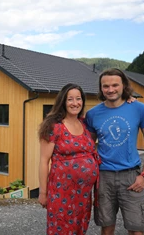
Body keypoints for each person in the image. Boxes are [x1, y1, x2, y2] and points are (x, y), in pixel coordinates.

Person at [85, 68, 144, 235]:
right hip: (103, 177)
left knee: (136, 229)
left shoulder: (139, 109)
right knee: (107, 227)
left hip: (131, 177)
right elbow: (87, 146)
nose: (110, 90)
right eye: (106, 86)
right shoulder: (93, 114)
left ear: (123, 85)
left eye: (115, 85)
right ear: (101, 88)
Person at [38, 83, 101, 235]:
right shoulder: (54, 126)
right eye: (70, 99)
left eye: (78, 99)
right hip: (62, 192)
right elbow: (44, 161)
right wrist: (43, 193)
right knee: (61, 227)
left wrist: (127, 98)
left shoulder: (84, 123)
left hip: (83, 194)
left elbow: (109, 108)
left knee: (79, 227)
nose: (75, 103)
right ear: (63, 102)